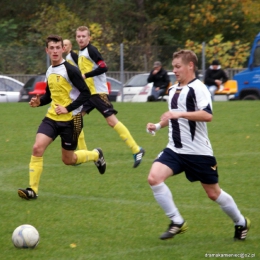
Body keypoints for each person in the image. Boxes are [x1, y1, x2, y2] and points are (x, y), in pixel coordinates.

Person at [146, 50, 250, 241]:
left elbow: (207, 115)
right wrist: (158, 125)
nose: (174, 71)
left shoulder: (198, 88)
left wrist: (179, 114)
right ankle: (177, 221)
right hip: (175, 149)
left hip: (198, 153)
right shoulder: (172, 89)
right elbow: (173, 116)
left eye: (178, 67)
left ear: (190, 66)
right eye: (173, 67)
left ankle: (241, 222)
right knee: (154, 178)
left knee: (213, 193)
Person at [18, 34, 106, 200]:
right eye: (52, 48)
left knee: (69, 159)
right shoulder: (50, 70)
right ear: (47, 51)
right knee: (37, 148)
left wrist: (67, 108)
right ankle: (32, 190)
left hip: (71, 121)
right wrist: (39, 102)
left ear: (62, 49)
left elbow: (86, 93)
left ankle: (96, 154)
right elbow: (49, 96)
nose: (55, 51)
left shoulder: (71, 70)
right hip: (52, 118)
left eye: (58, 47)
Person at [75, 26, 144, 168]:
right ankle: (83, 154)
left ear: (89, 38)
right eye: (78, 36)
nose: (81, 39)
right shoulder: (81, 53)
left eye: (83, 36)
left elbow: (103, 67)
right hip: (88, 94)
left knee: (112, 122)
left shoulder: (91, 50)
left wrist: (86, 75)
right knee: (76, 118)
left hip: (98, 93)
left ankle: (137, 150)